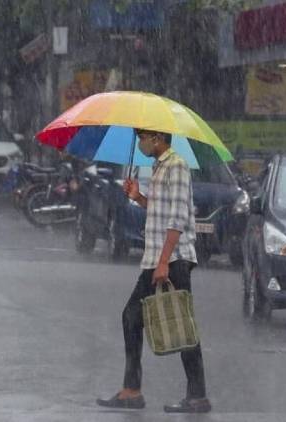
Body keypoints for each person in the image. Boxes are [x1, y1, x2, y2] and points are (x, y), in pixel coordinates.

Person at [96, 129, 211, 414]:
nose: (139, 143)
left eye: (142, 137)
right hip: (155, 259)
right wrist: (138, 197)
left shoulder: (177, 166)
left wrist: (163, 262)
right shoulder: (159, 166)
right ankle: (132, 390)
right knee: (132, 318)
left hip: (172, 259)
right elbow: (160, 210)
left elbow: (178, 218)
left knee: (181, 325)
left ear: (157, 138)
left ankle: (197, 396)